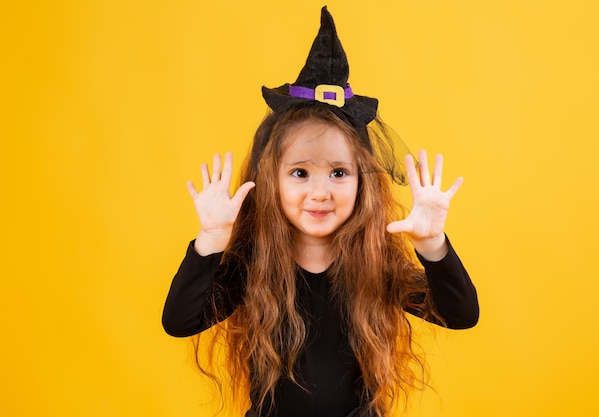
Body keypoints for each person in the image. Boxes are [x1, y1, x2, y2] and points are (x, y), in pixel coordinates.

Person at [162, 7, 479, 417]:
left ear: (362, 182)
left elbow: (461, 315)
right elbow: (179, 321)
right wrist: (210, 242)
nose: (320, 192)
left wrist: (432, 244)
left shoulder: (375, 264)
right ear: (270, 179)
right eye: (299, 173)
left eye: (338, 173)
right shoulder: (252, 264)